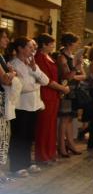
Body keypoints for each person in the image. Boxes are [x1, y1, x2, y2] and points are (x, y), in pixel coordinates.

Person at [9, 37, 50, 177]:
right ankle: (16, 166)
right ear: (20, 48)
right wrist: (36, 85)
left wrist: (34, 69)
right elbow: (21, 87)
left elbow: (46, 81)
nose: (32, 50)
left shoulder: (32, 63)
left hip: (34, 106)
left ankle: (26, 162)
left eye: (33, 47)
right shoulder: (12, 64)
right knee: (18, 136)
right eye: (29, 47)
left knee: (29, 136)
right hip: (21, 106)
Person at [34, 34, 70, 164]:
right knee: (44, 125)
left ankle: (50, 153)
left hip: (53, 94)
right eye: (51, 44)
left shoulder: (48, 57)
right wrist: (61, 88)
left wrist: (60, 89)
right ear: (44, 44)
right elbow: (45, 80)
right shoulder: (39, 57)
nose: (53, 46)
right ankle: (42, 155)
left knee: (51, 125)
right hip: (45, 94)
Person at [57, 32, 85, 157]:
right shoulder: (62, 57)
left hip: (73, 90)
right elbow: (67, 76)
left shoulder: (71, 56)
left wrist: (77, 70)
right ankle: (62, 146)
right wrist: (76, 68)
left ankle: (70, 144)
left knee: (69, 119)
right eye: (74, 43)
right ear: (69, 43)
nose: (76, 45)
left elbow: (83, 75)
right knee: (64, 119)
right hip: (66, 90)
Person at [0, 28, 17, 183]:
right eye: (4, 37)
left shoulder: (2, 57)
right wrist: (12, 73)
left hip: (3, 98)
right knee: (2, 135)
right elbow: (5, 79)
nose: (6, 40)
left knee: (4, 135)